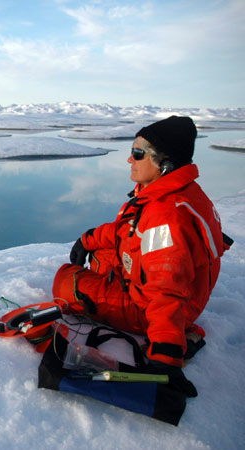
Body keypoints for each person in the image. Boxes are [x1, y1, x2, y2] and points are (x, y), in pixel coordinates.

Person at [51, 115, 232, 396]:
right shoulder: (170, 191)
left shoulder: (165, 217)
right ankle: (175, 328)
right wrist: (88, 239)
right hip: (173, 289)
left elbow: (165, 289)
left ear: (165, 163)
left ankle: (181, 335)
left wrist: (166, 358)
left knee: (66, 282)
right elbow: (128, 231)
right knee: (100, 256)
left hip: (156, 307)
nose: (129, 160)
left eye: (138, 154)